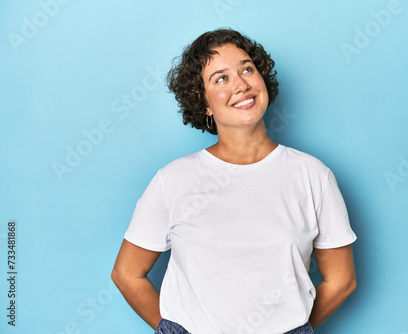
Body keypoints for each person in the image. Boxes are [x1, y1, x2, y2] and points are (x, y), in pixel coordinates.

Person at [111, 28, 357, 334]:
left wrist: (297, 329)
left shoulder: (313, 175)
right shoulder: (173, 179)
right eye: (221, 78)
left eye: (247, 69)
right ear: (204, 104)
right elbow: (126, 273)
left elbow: (341, 280)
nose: (241, 84)